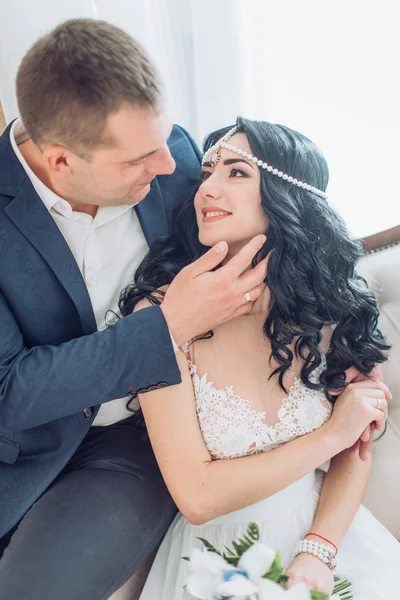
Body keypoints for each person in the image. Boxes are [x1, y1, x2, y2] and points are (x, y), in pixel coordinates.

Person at [0, 20, 268, 600]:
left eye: (165, 140)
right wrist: (168, 324)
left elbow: (274, 220)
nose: (173, 169)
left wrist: (338, 335)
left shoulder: (169, 157)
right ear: (61, 161)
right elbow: (8, 392)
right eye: (139, 159)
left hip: (132, 440)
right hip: (20, 450)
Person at [119, 117, 400, 599]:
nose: (208, 187)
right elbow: (197, 496)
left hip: (329, 540)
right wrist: (333, 432)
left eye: (236, 173)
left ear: (286, 194)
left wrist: (318, 551)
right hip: (218, 563)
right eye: (207, 172)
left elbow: (357, 449)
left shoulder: (333, 307)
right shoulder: (162, 315)